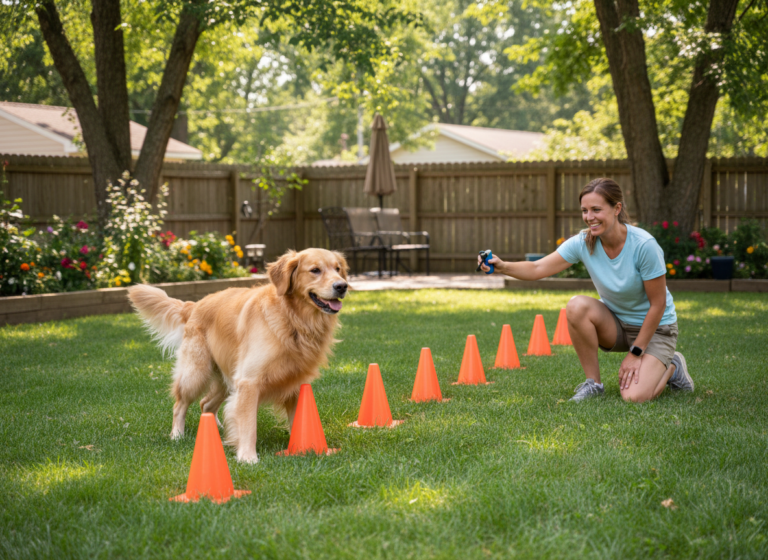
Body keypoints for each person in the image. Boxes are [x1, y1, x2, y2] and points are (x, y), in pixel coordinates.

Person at [478, 178, 694, 402]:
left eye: (596, 209)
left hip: (657, 329)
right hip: (618, 324)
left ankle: (673, 367)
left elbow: (658, 305)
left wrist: (635, 353)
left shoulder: (644, 246)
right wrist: (501, 266)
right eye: (584, 210)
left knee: (634, 397)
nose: (589, 217)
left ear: (616, 208)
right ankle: (594, 384)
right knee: (576, 305)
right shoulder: (583, 242)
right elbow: (537, 267)